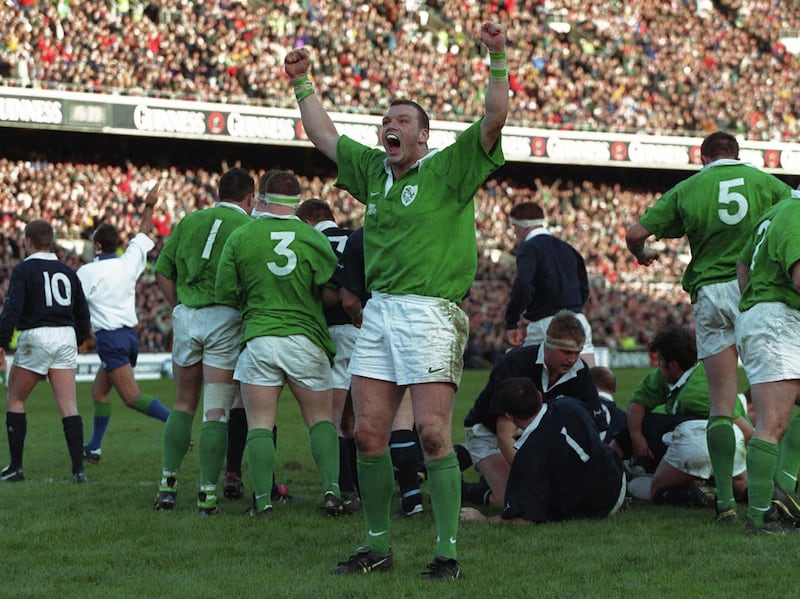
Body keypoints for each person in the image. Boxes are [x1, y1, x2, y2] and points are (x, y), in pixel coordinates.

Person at [284, 21, 508, 580]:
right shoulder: (374, 173)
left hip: (431, 312)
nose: (391, 125)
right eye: (387, 120)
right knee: (366, 432)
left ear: (424, 137)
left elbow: (494, 118)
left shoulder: (447, 169)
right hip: (380, 310)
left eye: (403, 121)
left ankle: (447, 552)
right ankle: (377, 546)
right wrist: (302, 82)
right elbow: (326, 138)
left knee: (432, 432)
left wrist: (498, 57)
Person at [625, 130, 794, 522]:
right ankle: (780, 487)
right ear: (737, 154)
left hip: (709, 295)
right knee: (779, 392)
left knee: (721, 403)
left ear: (703, 159)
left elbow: (635, 234)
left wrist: (644, 253)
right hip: (753, 288)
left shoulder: (690, 187)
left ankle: (723, 504)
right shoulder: (764, 182)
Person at [215, 169, 343, 518]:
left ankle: (262, 501)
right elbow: (332, 290)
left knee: (258, 421)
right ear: (298, 201)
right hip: (305, 338)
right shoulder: (310, 237)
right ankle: (332, 491)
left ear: (261, 199)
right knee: (319, 419)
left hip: (260, 338)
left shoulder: (242, 236)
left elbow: (225, 291)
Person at [153, 167, 254, 514]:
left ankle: (167, 485)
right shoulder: (247, 227)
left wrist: (178, 305)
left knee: (182, 403)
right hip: (225, 317)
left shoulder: (191, 221)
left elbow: (161, 272)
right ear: (251, 199)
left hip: (188, 316)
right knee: (216, 409)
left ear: (218, 192)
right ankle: (207, 494)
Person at [461, 310, 617, 508]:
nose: (571, 360)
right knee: (511, 498)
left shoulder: (580, 372)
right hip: (488, 434)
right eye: (566, 352)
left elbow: (594, 428)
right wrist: (534, 479)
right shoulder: (515, 364)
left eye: (577, 353)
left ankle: (488, 474)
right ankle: (464, 489)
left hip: (537, 438)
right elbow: (504, 436)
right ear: (548, 345)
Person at [77, 182, 170, 464]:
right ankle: (93, 447)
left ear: (97, 245)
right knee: (99, 391)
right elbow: (143, 233)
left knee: (131, 398)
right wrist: (150, 205)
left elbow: (75, 307)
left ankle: (176, 423)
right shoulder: (127, 262)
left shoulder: (87, 272)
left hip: (111, 339)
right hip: (130, 338)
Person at [337, 226, 426, 518]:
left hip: (378, 326)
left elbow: (349, 300)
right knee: (425, 426)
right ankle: (416, 498)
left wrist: (358, 319)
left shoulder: (361, 236)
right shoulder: (427, 229)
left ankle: (371, 502)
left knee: (367, 429)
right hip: (424, 323)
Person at [611, 327, 749, 509]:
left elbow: (746, 431)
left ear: (674, 365)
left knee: (657, 490)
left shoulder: (699, 391)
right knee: (741, 491)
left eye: (660, 360)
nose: (658, 365)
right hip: (728, 445)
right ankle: (762, 492)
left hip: (710, 442)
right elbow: (638, 403)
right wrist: (637, 437)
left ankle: (693, 492)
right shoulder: (668, 377)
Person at [460, 377, 625, 525]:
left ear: (509, 416)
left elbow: (523, 519)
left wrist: (482, 519)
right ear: (539, 395)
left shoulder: (528, 455)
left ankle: (463, 488)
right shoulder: (570, 405)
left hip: (597, 508)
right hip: (618, 479)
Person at [0, 219, 91, 482]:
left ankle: (16, 467)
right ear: (50, 241)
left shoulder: (23, 270)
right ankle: (78, 471)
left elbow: (12, 309)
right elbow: (82, 312)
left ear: (28, 242)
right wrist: (79, 339)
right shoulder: (67, 271)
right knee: (69, 406)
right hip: (65, 335)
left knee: (15, 399)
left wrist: (1, 341)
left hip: (37, 335)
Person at [736, 196, 800, 534]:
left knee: (776, 423)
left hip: (772, 317)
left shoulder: (775, 212)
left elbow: (742, 265)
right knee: (772, 424)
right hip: (777, 321)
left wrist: (753, 301)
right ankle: (761, 517)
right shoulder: (797, 214)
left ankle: (782, 496)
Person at [296, 197, 361, 511]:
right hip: (365, 332)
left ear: (307, 221)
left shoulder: (310, 240)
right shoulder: (355, 237)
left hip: (333, 334)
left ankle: (344, 490)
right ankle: (364, 487)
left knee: (333, 420)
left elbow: (327, 293)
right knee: (355, 421)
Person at [505, 202, 594, 366]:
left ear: (522, 226)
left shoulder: (529, 248)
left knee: (532, 380)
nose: (514, 232)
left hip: (545, 323)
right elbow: (584, 288)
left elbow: (523, 285)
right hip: (577, 319)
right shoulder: (568, 248)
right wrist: (570, 308)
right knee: (587, 378)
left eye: (514, 226)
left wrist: (512, 321)